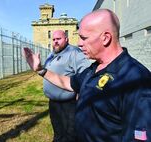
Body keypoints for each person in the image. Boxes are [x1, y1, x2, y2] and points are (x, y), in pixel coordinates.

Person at [23, 9, 151, 142]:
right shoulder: (94, 68)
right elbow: (69, 83)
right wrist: (40, 70)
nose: (79, 43)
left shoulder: (136, 80)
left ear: (105, 38)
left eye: (84, 38)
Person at [29, 30, 90, 142]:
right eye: (53, 39)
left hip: (69, 104)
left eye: (59, 39)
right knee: (58, 132)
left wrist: (80, 94)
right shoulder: (52, 53)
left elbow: (86, 74)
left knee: (70, 135)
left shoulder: (74, 52)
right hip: (54, 103)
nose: (55, 42)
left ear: (66, 39)